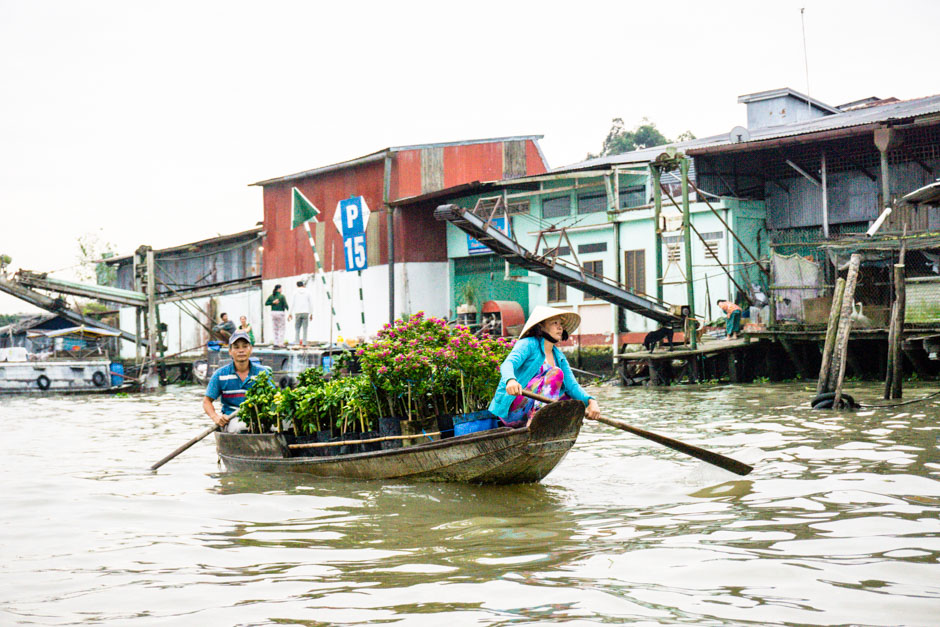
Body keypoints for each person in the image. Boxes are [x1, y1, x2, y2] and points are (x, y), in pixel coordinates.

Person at [488, 305, 601, 428]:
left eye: (561, 324)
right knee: (556, 373)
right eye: (554, 323)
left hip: (539, 410)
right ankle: (539, 420)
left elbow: (572, 386)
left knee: (572, 402)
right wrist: (511, 380)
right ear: (541, 326)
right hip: (513, 410)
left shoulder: (559, 357)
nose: (560, 327)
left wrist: (591, 401)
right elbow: (508, 364)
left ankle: (546, 422)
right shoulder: (528, 344)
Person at [202, 331, 271, 432]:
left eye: (244, 346)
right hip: (233, 420)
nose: (241, 351)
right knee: (241, 427)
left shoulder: (262, 373)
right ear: (230, 351)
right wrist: (216, 417)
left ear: (250, 349)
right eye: (236, 347)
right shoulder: (220, 374)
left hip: (259, 418)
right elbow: (206, 402)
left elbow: (272, 399)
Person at [289, 279, 313, 347]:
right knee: (305, 328)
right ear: (303, 285)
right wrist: (311, 313)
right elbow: (311, 303)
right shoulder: (308, 292)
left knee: (297, 328)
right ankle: (304, 343)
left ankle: (297, 342)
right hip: (306, 312)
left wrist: (290, 313)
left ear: (297, 286)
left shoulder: (295, 292)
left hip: (297, 312)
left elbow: (292, 303)